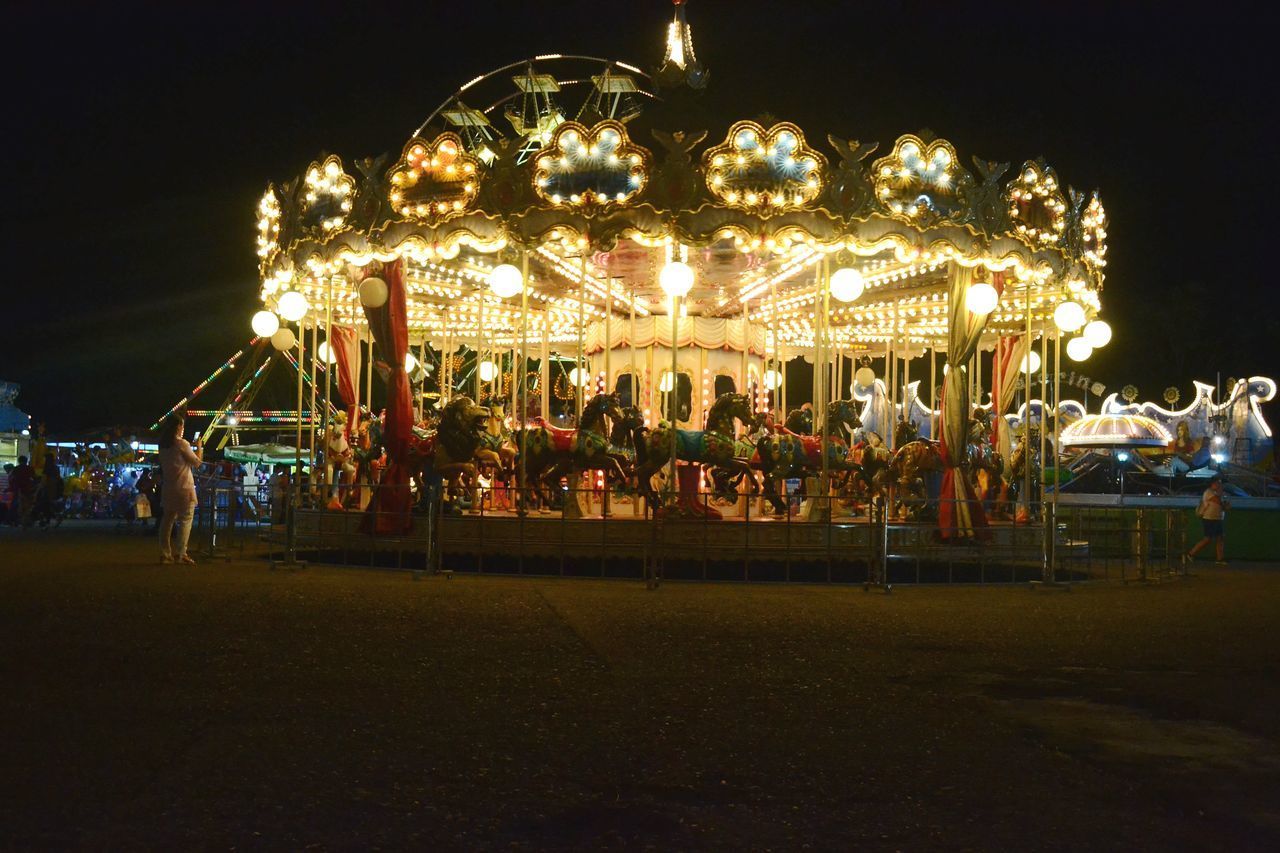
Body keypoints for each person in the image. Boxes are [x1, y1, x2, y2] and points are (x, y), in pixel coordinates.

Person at [157, 414, 203, 564]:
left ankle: (165, 553)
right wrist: (199, 447)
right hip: (184, 487)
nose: (183, 428)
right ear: (178, 427)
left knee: (167, 521)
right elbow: (197, 462)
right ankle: (181, 553)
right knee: (185, 519)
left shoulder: (162, 444)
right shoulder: (181, 444)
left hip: (168, 487)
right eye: (182, 425)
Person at [1187, 476, 1229, 565]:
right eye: (1218, 483)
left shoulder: (1217, 493)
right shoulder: (1209, 492)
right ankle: (1191, 553)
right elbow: (1218, 502)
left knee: (1220, 538)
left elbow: (1225, 505)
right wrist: (1222, 498)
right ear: (1213, 483)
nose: (1219, 484)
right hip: (1209, 518)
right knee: (1208, 539)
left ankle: (1220, 559)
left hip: (1218, 518)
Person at [8, 455, 37, 528]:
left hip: (17, 489)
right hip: (27, 489)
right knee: (28, 505)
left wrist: (12, 486)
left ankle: (14, 521)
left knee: (15, 505)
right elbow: (34, 478)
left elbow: (11, 478)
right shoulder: (30, 468)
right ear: (26, 461)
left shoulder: (16, 469)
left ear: (19, 461)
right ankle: (26, 520)